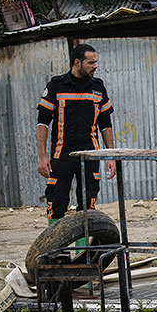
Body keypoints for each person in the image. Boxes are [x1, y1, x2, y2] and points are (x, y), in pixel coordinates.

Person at [36, 43, 116, 225]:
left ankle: (83, 251)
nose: (95, 66)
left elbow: (105, 124)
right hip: (62, 154)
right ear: (77, 62)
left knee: (88, 205)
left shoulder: (98, 87)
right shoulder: (57, 86)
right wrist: (42, 156)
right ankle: (58, 252)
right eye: (91, 62)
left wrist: (110, 154)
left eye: (96, 62)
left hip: (90, 153)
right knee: (56, 202)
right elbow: (42, 123)